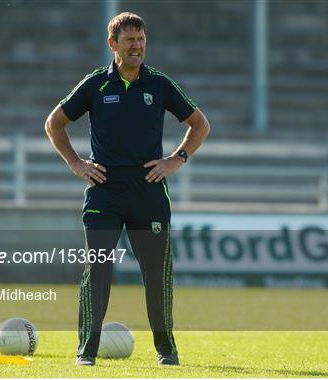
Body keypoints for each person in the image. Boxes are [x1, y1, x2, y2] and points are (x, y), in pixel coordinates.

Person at [45, 12, 210, 367]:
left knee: (156, 274)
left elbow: (199, 124)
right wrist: (76, 163)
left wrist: (176, 159)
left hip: (148, 190)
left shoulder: (160, 84)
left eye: (141, 40)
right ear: (113, 45)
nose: (137, 47)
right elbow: (54, 123)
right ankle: (85, 353)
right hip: (103, 190)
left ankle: (167, 351)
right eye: (130, 40)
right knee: (98, 268)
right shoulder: (95, 85)